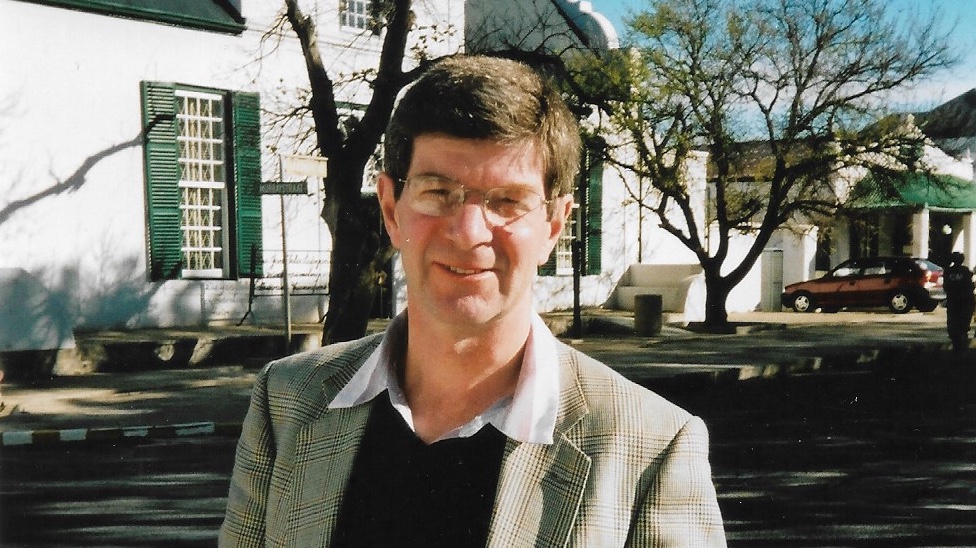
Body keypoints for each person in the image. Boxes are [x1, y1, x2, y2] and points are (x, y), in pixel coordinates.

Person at [220, 55, 726, 547]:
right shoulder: (286, 402)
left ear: (554, 223)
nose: (467, 232)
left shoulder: (652, 446)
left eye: (507, 201)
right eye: (438, 191)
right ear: (392, 209)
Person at [943, 251, 975, 354]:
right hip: (965, 301)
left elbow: (946, 286)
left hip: (954, 301)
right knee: (964, 323)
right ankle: (962, 343)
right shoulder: (965, 271)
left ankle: (956, 342)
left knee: (953, 322)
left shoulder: (948, 271)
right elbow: (970, 286)